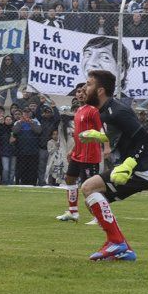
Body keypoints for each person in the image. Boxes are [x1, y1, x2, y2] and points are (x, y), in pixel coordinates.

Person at [80, 70, 148, 261]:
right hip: (132, 167)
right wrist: (99, 136)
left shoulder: (119, 111)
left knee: (89, 188)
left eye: (88, 84)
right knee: (91, 197)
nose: (84, 88)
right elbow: (121, 135)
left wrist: (129, 164)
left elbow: (146, 140)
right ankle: (124, 249)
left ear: (100, 91)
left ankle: (117, 242)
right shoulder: (105, 111)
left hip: (142, 170)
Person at [56, 83, 106, 222]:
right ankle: (73, 212)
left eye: (84, 91)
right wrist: (72, 150)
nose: (80, 94)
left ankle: (99, 216)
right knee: (69, 179)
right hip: (77, 154)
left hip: (90, 155)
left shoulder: (93, 111)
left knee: (89, 186)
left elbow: (101, 131)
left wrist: (106, 147)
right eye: (78, 91)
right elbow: (78, 135)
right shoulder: (79, 111)